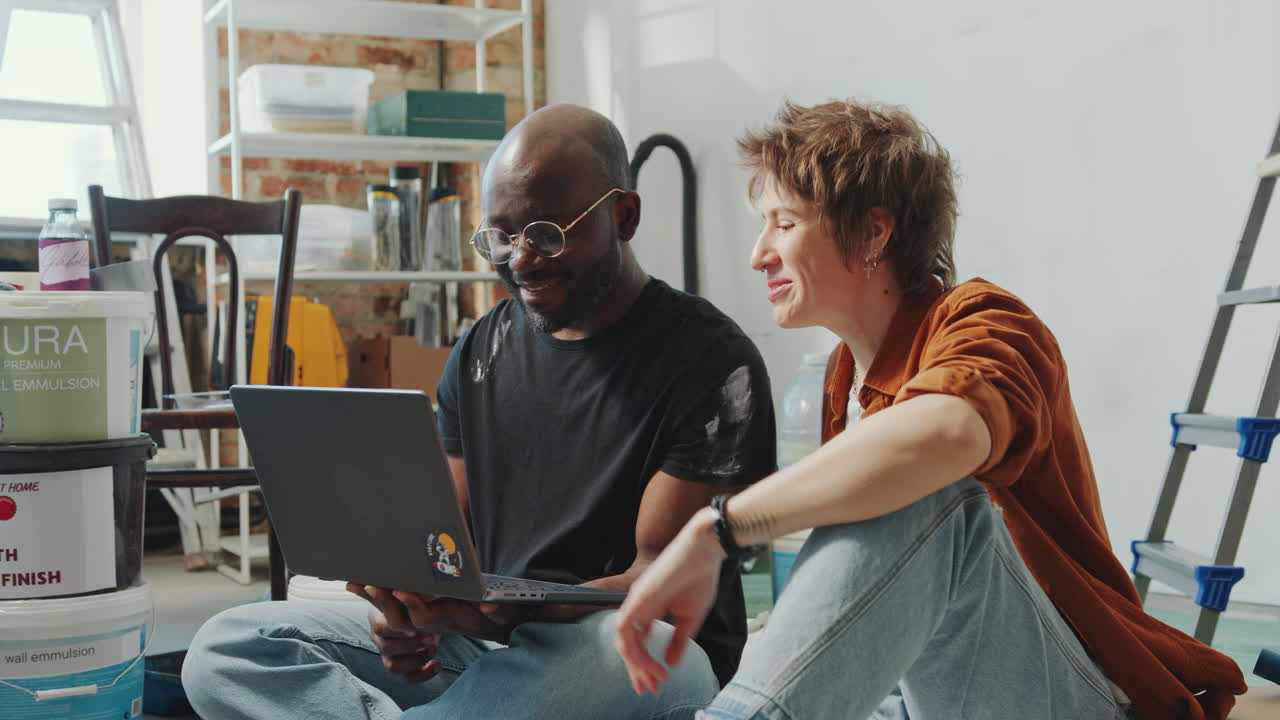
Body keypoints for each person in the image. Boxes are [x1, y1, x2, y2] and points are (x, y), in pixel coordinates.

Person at [614, 99, 1248, 720]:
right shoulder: (845, 377)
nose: (759, 253)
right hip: (927, 696)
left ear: (872, 232)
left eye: (783, 223)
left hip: (1074, 697)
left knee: (918, 487)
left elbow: (944, 435)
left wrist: (719, 529)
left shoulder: (988, 322)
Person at [181, 104, 777, 720]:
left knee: (633, 653)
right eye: (500, 235)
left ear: (623, 216)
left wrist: (514, 611)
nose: (519, 260)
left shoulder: (712, 365)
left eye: (547, 232)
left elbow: (661, 580)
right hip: (493, 652)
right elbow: (445, 543)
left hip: (624, 652)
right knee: (229, 648)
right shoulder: (480, 352)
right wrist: (415, 613)